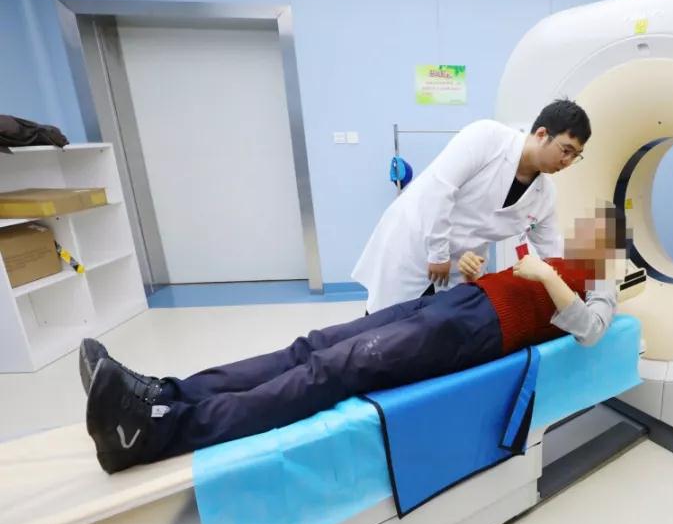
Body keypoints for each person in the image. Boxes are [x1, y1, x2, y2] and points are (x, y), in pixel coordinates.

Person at [81, 206, 626, 474]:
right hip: (456, 305)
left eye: (597, 233)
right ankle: (165, 394)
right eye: (586, 226)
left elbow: (590, 330)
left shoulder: (603, 282)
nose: (583, 234)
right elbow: (521, 291)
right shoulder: (555, 260)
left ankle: (159, 431)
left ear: (610, 247)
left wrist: (546, 276)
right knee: (312, 345)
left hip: (475, 332)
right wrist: (473, 272)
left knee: (335, 368)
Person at [352, 99, 591, 313]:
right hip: (415, 244)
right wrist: (438, 254)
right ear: (541, 134)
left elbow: (552, 250)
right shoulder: (487, 137)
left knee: (433, 331)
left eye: (575, 156)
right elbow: (440, 189)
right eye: (566, 150)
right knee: (383, 324)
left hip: (463, 264)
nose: (567, 161)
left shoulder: (545, 195)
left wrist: (577, 293)